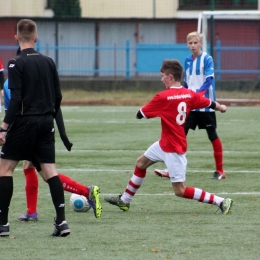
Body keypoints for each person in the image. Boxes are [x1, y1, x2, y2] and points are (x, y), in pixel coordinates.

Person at [104, 59, 233, 215]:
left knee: (180, 190)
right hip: (164, 143)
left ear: (170, 77)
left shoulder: (163, 97)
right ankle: (125, 200)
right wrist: (221, 107)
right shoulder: (189, 94)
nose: (161, 79)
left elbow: (140, 114)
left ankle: (221, 201)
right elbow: (209, 103)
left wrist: (148, 111)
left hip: (174, 148)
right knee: (141, 163)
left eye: (162, 76)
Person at [3, 49, 102, 223]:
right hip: (42, 127)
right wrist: (62, 133)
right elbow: (56, 101)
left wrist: (4, 129)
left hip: (23, 129)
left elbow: (14, 107)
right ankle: (38, 213)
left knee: (20, 170)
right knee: (42, 171)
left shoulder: (13, 80)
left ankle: (84, 192)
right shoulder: (41, 73)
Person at [0, 19, 67, 237]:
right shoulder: (49, 61)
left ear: (16, 38)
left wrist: (3, 127)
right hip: (46, 123)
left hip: (23, 123)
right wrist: (49, 115)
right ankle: (61, 222)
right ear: (36, 38)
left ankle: (3, 224)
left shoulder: (15, 63)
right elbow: (58, 96)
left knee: (5, 169)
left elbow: (16, 98)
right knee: (50, 171)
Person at [154, 31, 225, 180]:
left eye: (195, 43)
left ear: (201, 44)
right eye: (190, 43)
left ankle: (220, 171)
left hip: (205, 104)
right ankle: (171, 169)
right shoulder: (187, 60)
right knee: (180, 134)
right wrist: (182, 94)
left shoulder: (207, 59)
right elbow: (186, 83)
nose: (193, 45)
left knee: (212, 135)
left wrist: (198, 95)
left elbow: (209, 80)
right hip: (190, 105)